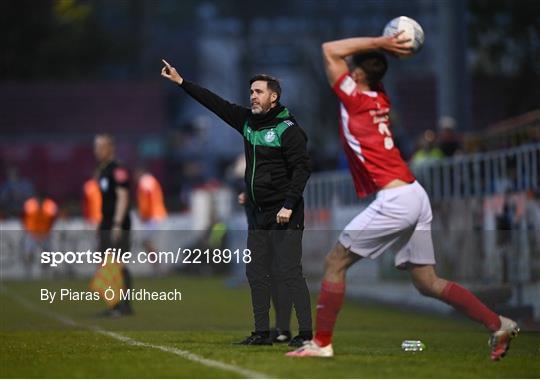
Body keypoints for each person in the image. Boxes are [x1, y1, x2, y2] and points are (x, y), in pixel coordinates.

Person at [287, 32, 518, 361]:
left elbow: (329, 49)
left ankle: (321, 343)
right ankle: (498, 324)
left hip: (396, 200)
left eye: (353, 68)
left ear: (358, 74)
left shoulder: (356, 97)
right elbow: (352, 60)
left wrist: (382, 42)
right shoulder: (380, 96)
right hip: (413, 193)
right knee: (427, 283)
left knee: (334, 263)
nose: (347, 70)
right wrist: (387, 51)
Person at [161, 60, 312, 346]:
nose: (252, 96)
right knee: (256, 272)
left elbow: (302, 169)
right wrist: (182, 82)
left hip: (284, 212)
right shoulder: (247, 121)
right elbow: (215, 104)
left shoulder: (288, 128)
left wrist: (289, 205)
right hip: (258, 212)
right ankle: (262, 333)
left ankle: (305, 335)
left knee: (289, 272)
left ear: (273, 97)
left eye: (258, 92)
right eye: (251, 92)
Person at [94, 134, 133, 316]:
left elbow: (123, 197)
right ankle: (114, 304)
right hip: (107, 221)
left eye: (101, 146)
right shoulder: (103, 169)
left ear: (111, 147)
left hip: (117, 223)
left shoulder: (118, 169)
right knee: (107, 264)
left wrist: (117, 223)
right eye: (96, 146)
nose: (97, 150)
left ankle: (123, 305)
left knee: (117, 265)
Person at [134, 167, 167, 273]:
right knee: (148, 242)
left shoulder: (144, 182)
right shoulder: (152, 180)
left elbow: (145, 201)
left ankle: (158, 267)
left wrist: (143, 215)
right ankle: (157, 266)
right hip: (157, 215)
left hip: (153, 217)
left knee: (146, 241)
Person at [21, 194, 58, 278]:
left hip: (45, 233)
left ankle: (45, 271)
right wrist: (27, 229)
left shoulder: (50, 205)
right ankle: (28, 270)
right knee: (29, 252)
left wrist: (48, 231)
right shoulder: (30, 205)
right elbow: (24, 217)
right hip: (32, 233)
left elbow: (53, 219)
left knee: (47, 253)